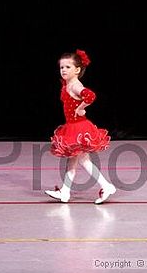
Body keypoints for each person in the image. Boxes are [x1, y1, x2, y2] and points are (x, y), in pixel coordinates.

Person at [45, 49, 116, 204]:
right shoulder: (68, 84)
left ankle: (106, 186)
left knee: (83, 160)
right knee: (72, 160)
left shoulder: (75, 85)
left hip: (79, 128)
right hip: (72, 126)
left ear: (77, 70)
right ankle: (65, 191)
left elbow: (90, 96)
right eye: (61, 67)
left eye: (67, 67)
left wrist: (80, 108)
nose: (63, 70)